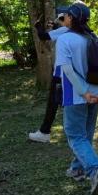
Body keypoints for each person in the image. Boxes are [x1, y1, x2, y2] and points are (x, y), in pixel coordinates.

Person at [56, 2, 98, 195]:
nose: (64, 18)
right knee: (86, 135)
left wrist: (83, 92)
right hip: (95, 92)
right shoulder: (92, 37)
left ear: (71, 18)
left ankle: (95, 170)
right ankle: (77, 168)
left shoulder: (65, 39)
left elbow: (67, 69)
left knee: (75, 135)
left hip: (76, 95)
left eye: (65, 16)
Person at [28, 8, 70, 143]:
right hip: (73, 72)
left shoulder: (64, 30)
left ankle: (44, 132)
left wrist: (37, 25)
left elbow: (43, 36)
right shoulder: (78, 31)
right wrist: (54, 27)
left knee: (53, 102)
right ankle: (72, 130)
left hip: (61, 72)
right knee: (67, 102)